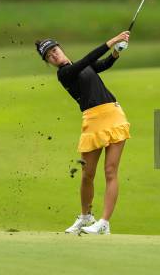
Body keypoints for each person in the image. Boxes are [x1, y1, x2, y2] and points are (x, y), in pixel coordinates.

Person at [35, 31, 131, 235]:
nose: (54, 55)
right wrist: (113, 40)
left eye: (54, 50)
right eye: (49, 56)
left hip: (113, 115)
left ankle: (104, 223)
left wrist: (115, 53)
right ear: (49, 62)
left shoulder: (81, 66)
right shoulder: (64, 74)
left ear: (60, 48)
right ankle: (86, 216)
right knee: (87, 174)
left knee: (110, 171)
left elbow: (102, 65)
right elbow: (89, 59)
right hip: (92, 121)